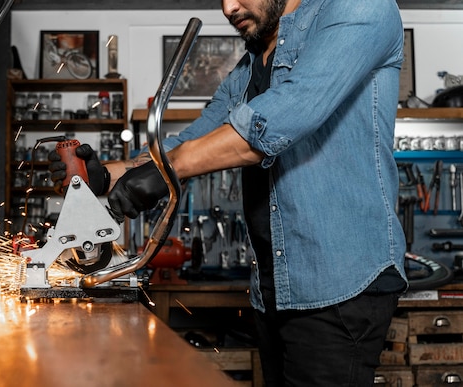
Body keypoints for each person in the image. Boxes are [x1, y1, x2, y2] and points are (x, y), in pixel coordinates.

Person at [50, 0, 408, 385]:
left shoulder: (360, 9)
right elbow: (197, 137)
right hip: (274, 288)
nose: (228, 7)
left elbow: (283, 115)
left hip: (340, 284)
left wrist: (168, 169)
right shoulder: (252, 64)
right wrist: (108, 174)